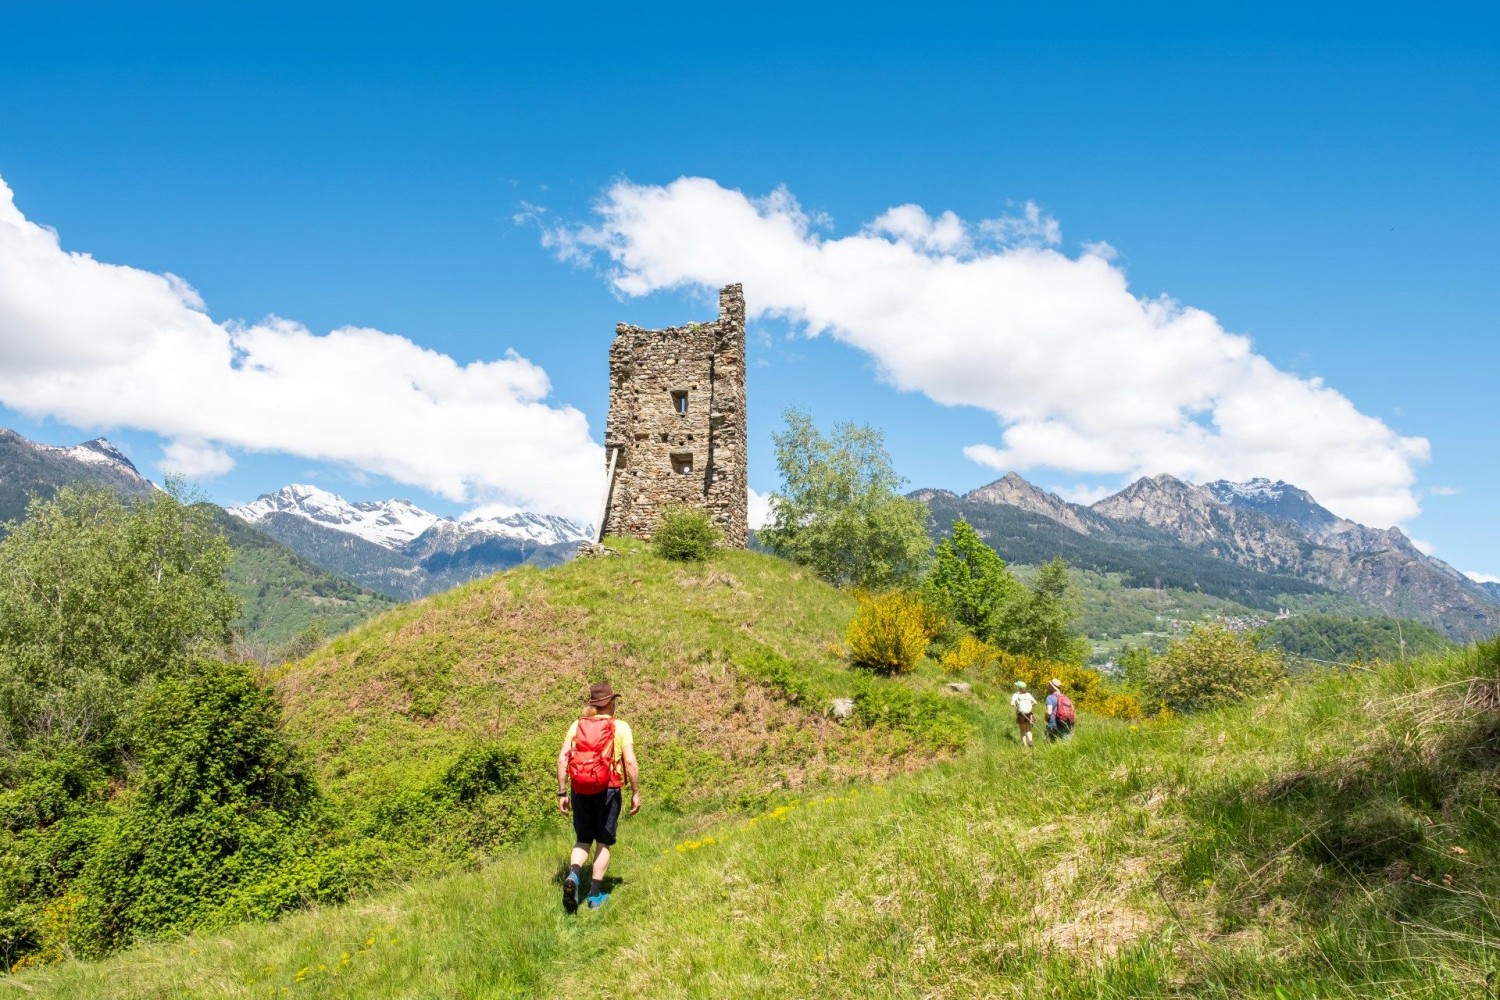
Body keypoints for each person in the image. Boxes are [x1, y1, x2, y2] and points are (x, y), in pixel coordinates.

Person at [557, 682, 640, 913]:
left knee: (583, 838)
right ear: (611, 704)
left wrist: (563, 792)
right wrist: (635, 792)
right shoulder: (621, 727)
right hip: (609, 790)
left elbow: (563, 760)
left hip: (580, 789)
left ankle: (573, 874)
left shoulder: (577, 725)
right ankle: (594, 895)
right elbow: (631, 761)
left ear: (593, 705)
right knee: (603, 841)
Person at [1009, 680, 1037, 748]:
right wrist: (1030, 705)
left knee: (1022, 730)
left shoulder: (1016, 695)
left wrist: (1016, 705)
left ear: (1018, 688)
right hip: (1029, 714)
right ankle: (1030, 740)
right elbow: (1035, 702)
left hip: (1021, 714)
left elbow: (1012, 703)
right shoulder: (1028, 694)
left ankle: (1025, 746)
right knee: (1028, 730)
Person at [1045, 678, 1074, 742]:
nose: (1048, 687)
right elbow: (1073, 712)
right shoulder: (1066, 698)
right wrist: (1072, 725)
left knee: (1051, 744)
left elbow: (1049, 712)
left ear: (1052, 687)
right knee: (1066, 745)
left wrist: (1046, 718)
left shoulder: (1050, 697)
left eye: (1049, 685)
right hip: (1066, 723)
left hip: (1053, 724)